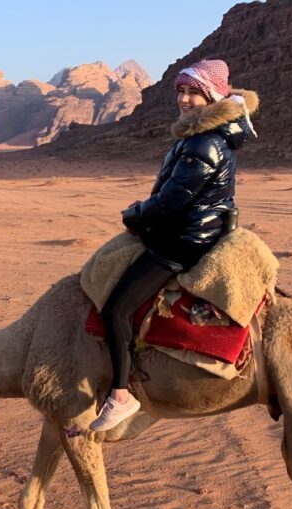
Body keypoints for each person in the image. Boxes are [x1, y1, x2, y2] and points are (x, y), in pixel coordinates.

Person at [90, 59, 257, 432]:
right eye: (180, 91)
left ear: (211, 96)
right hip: (194, 229)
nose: (183, 99)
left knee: (116, 309)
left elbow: (170, 202)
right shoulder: (203, 136)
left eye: (192, 92)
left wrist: (134, 214)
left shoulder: (205, 143)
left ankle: (120, 395)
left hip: (184, 240)